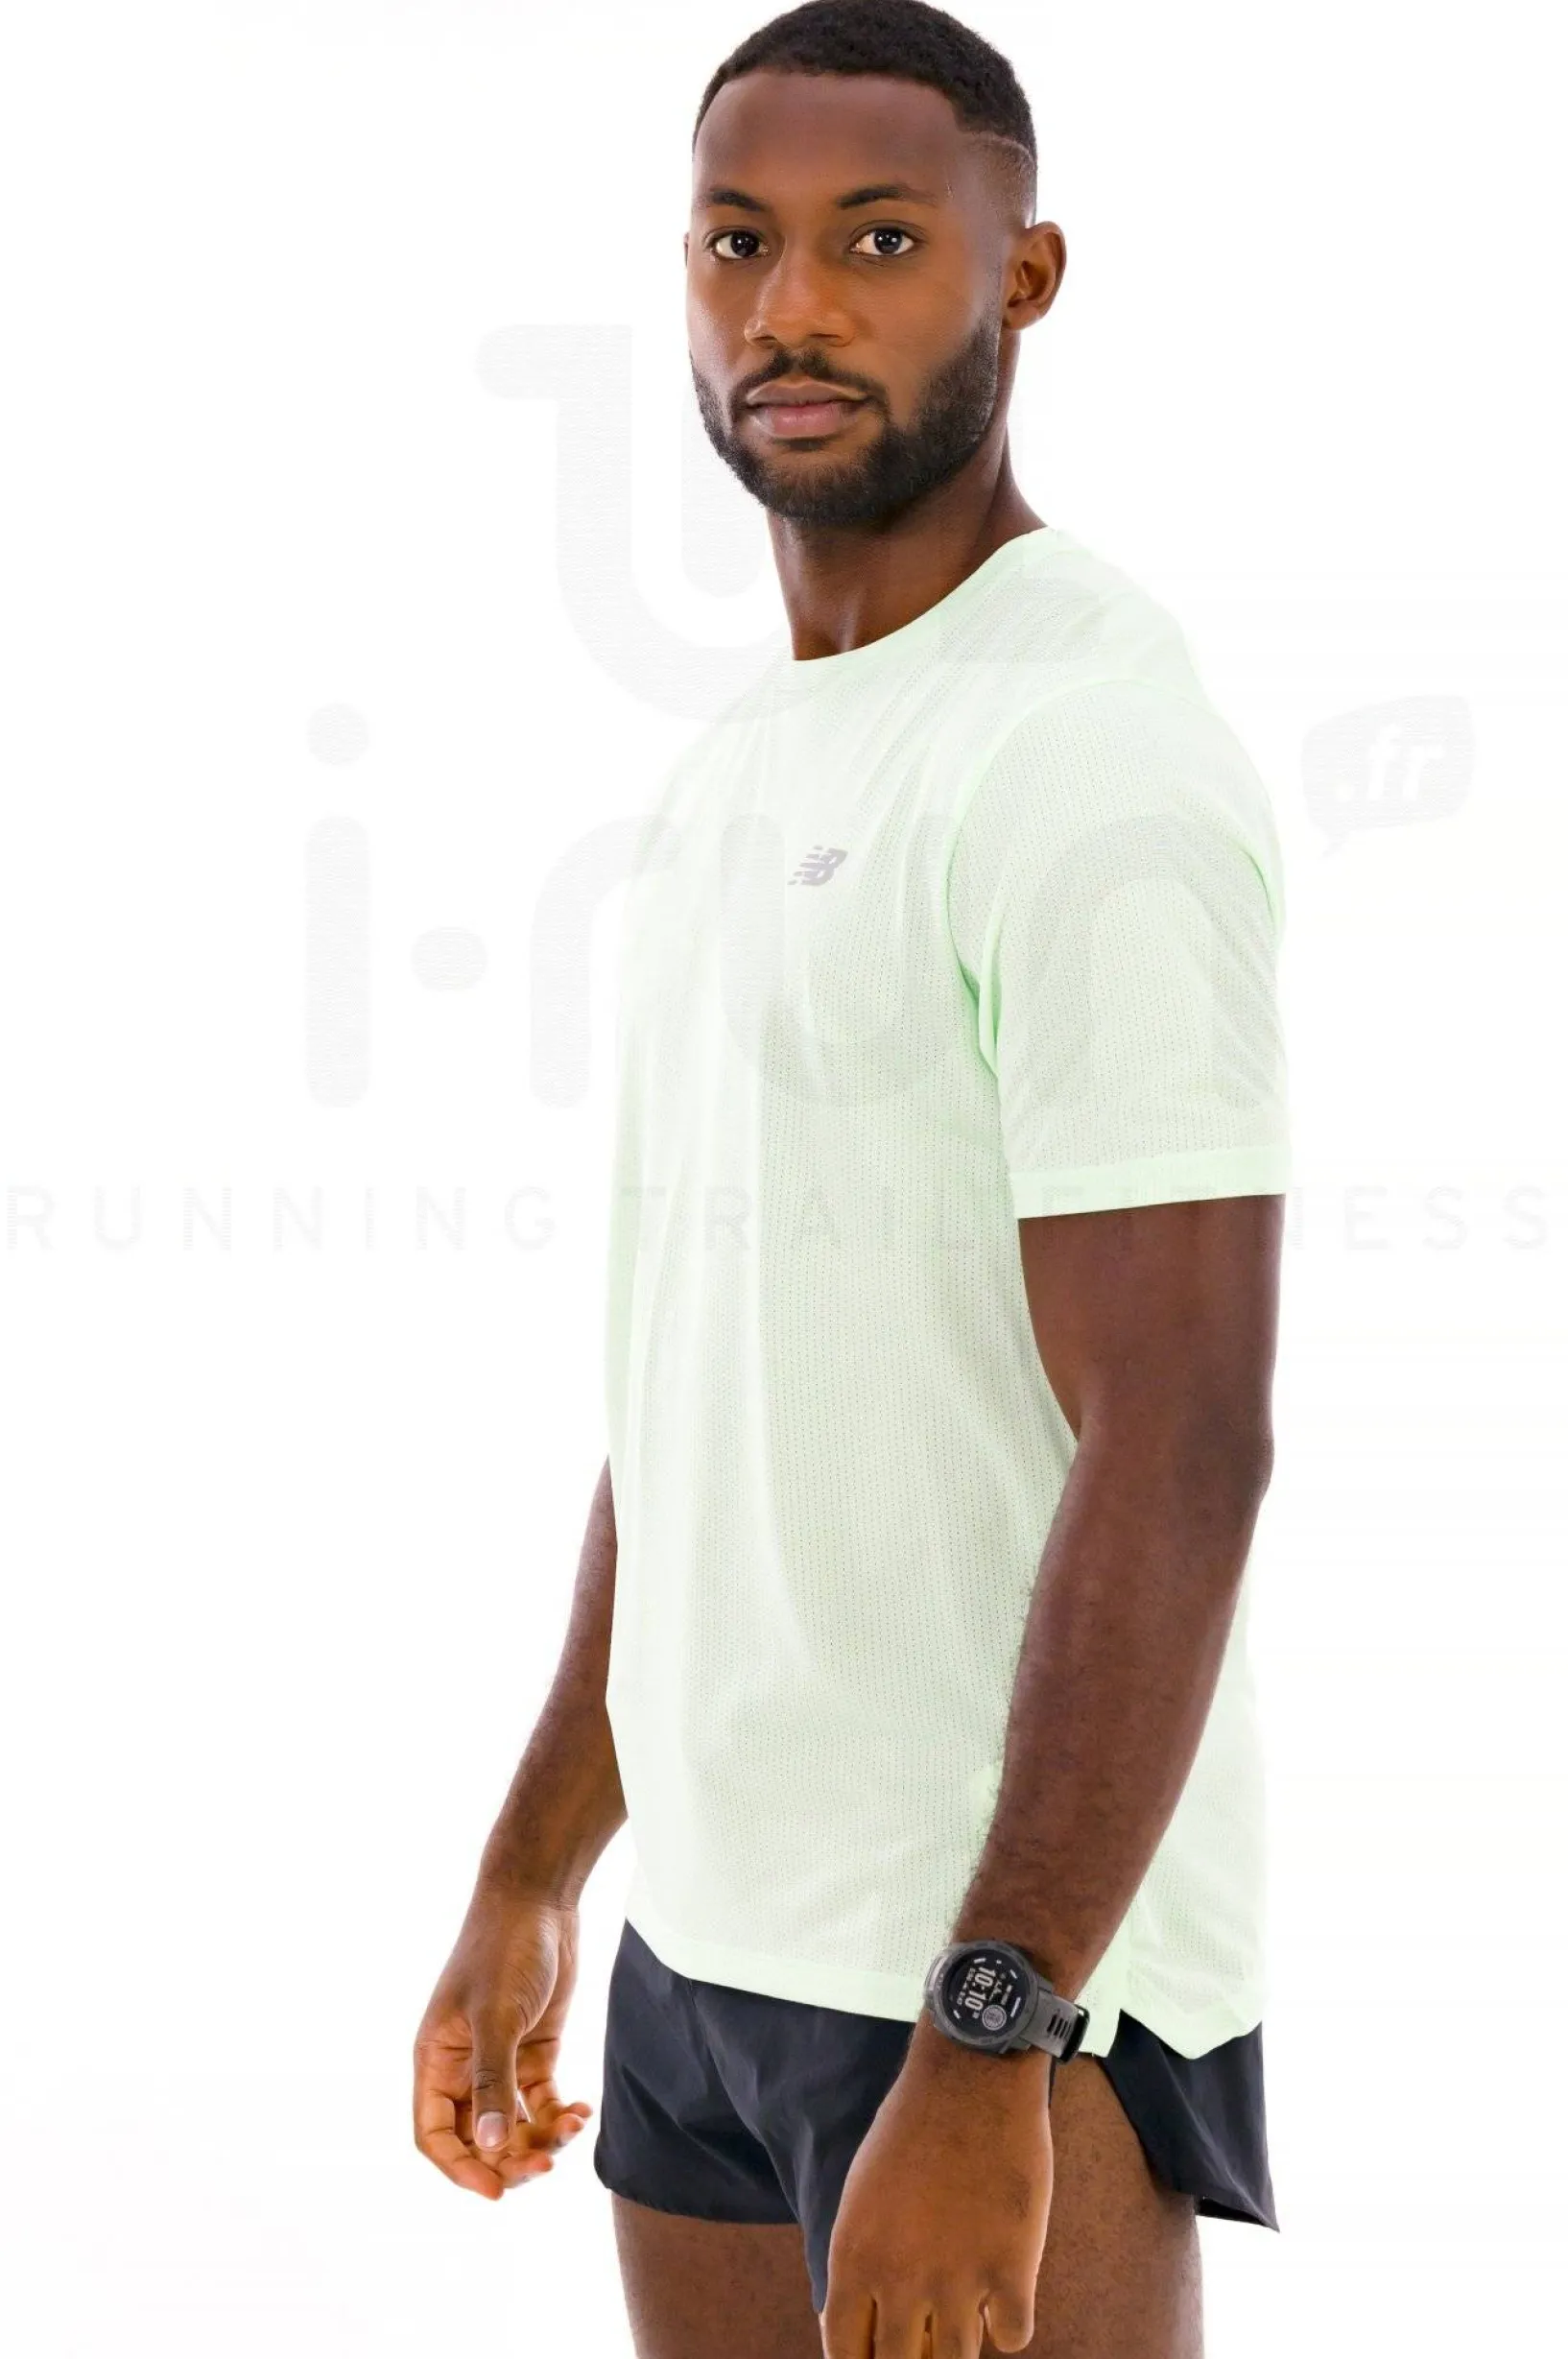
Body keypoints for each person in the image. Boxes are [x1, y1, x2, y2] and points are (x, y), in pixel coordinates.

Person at [414, 4, 1291, 2353]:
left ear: (1025, 277)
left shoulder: (1085, 752)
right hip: (706, 1959)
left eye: (879, 242)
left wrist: (994, 2026)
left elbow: (1183, 1435)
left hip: (991, 1990)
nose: (789, 308)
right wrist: (538, 1858)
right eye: (738, 243)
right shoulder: (739, 767)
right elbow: (707, 1392)